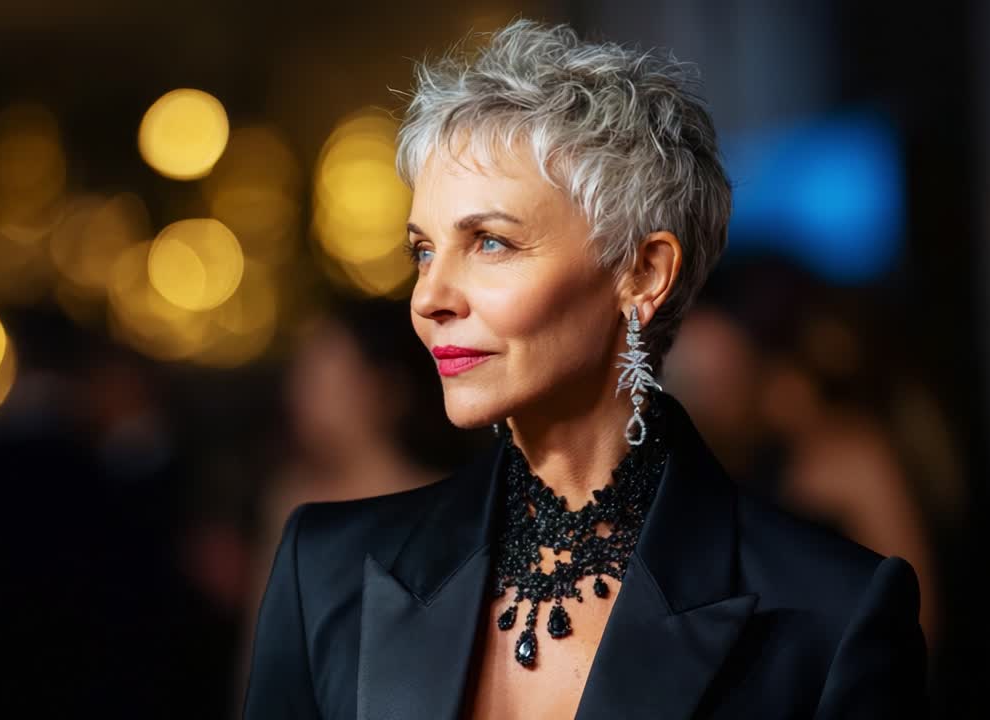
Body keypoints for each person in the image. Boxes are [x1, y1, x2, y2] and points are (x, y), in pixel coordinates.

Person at [244, 19, 927, 719]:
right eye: (423, 250)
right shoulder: (325, 572)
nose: (429, 299)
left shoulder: (827, 614)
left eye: (489, 242)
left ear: (642, 271)